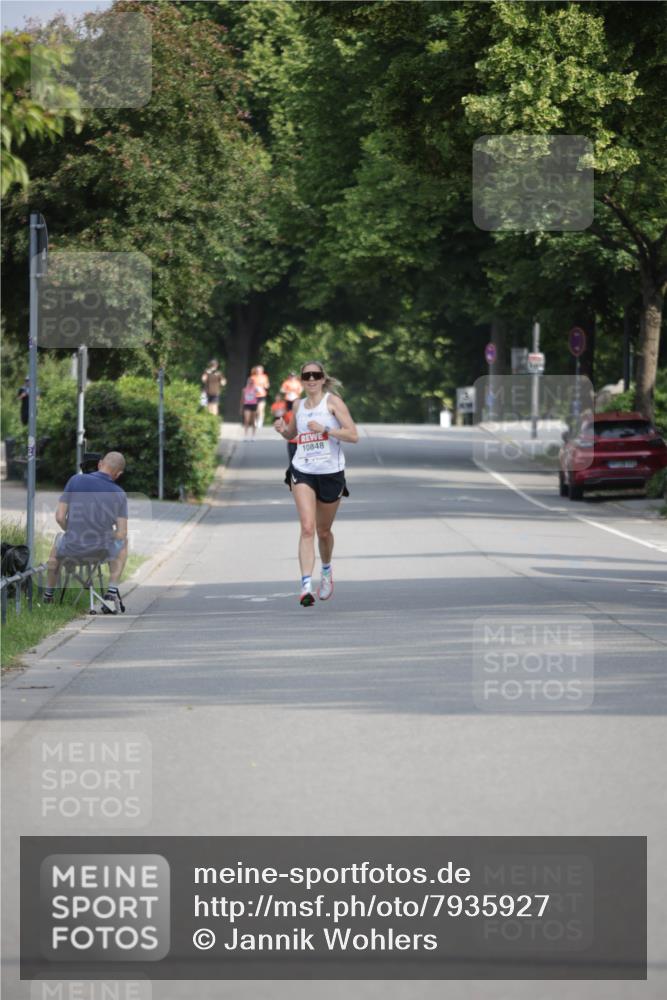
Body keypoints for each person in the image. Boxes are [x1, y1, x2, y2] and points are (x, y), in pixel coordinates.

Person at [274, 360, 358, 606]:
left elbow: (353, 435)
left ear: (323, 378)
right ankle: (305, 586)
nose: (311, 379)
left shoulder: (333, 403)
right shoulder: (298, 405)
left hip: (331, 472)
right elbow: (292, 434)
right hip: (303, 469)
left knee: (323, 531)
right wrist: (282, 429)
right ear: (301, 381)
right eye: (306, 376)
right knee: (307, 527)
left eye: (315, 375)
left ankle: (326, 570)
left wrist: (326, 430)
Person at [42, 452, 128, 612]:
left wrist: (74, 532)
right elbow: (121, 533)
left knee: (57, 543)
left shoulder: (75, 480)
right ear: (119, 474)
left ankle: (48, 595)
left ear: (100, 464)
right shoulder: (120, 494)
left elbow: (60, 517)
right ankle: (111, 592)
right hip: (100, 551)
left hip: (71, 549)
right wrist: (107, 536)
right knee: (124, 541)